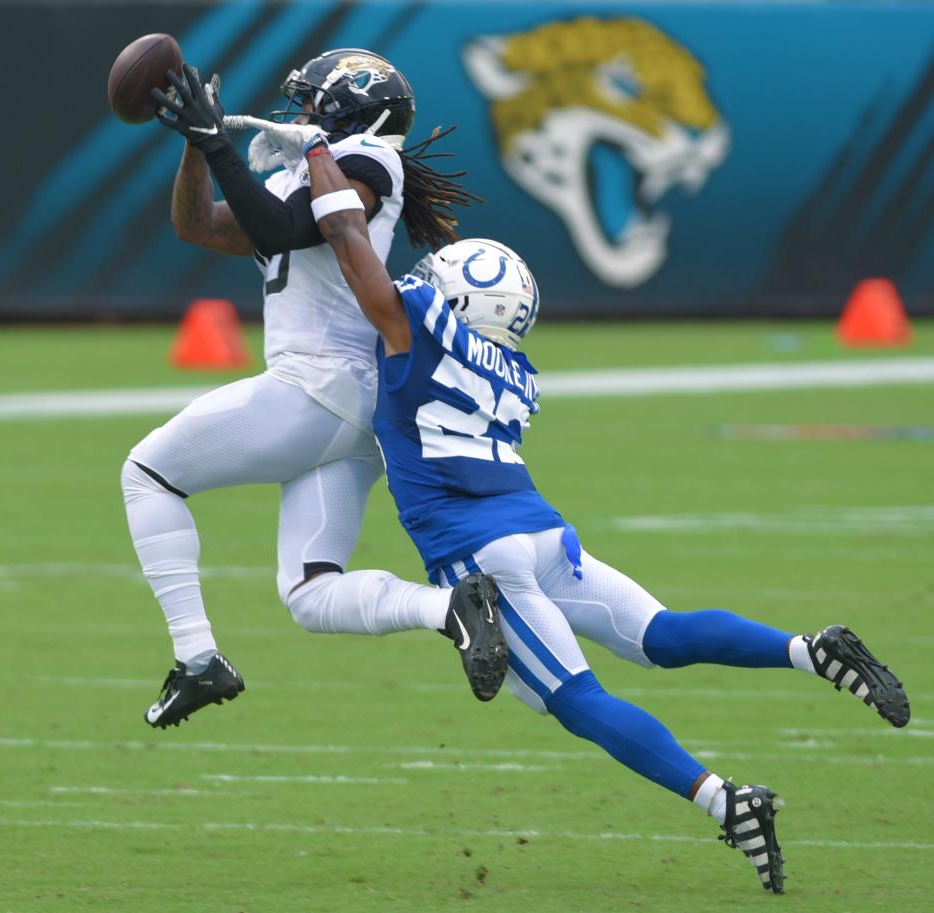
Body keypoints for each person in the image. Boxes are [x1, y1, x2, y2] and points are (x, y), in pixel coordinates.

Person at [300, 134, 912, 893]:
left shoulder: (415, 329)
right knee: (662, 633)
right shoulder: (516, 370)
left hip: (478, 559)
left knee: (578, 699)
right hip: (544, 532)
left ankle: (725, 799)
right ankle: (806, 647)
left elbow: (348, 242)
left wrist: (319, 152)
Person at [123, 50, 505, 731]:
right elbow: (200, 226)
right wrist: (195, 146)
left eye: (310, 102)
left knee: (147, 472)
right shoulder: (307, 169)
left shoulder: (367, 160)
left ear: (346, 108)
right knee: (311, 592)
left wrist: (219, 145)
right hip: (351, 409)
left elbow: (287, 229)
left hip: (318, 385)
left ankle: (197, 656)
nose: (297, 114)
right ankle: (449, 608)